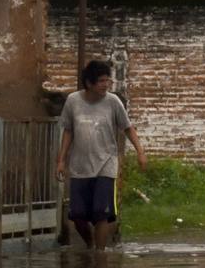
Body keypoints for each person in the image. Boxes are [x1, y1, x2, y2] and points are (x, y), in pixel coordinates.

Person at [56, 59, 147, 249]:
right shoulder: (73, 101)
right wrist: (61, 161)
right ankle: (90, 244)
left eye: (108, 80)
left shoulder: (113, 102)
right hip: (80, 167)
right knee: (78, 215)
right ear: (89, 83)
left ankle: (100, 254)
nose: (106, 85)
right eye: (101, 81)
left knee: (101, 212)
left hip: (106, 165)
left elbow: (128, 128)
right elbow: (68, 131)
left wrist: (140, 152)